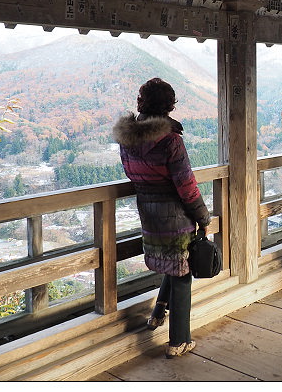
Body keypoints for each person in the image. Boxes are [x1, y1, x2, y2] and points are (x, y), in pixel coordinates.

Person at [112, 78, 210, 359]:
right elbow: (186, 184)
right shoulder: (171, 140)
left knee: (172, 262)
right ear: (169, 105)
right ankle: (179, 340)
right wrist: (202, 216)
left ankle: (156, 315)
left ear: (141, 102)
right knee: (182, 272)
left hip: (147, 209)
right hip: (175, 213)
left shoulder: (127, 138)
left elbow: (133, 174)